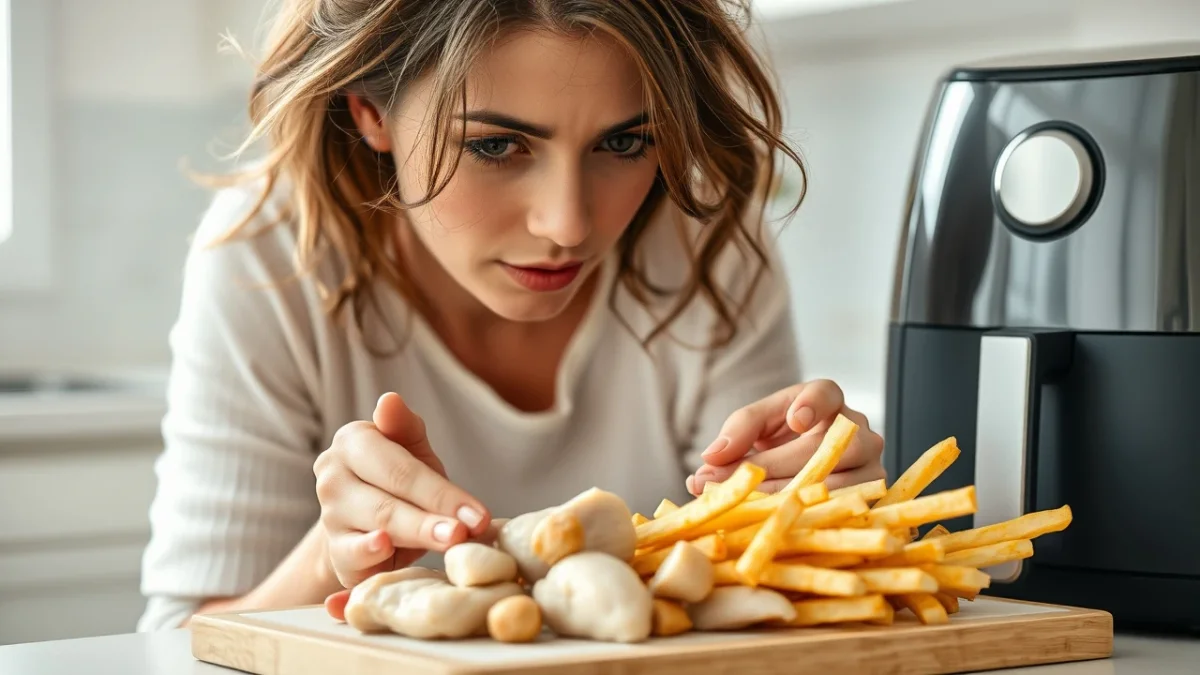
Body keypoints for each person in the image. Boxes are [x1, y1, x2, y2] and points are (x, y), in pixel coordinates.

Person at [135, 0, 886, 632]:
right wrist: (333, 557)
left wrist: (823, 512)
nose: (567, 223)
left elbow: (754, 581)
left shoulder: (707, 243)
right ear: (371, 115)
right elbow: (176, 644)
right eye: (496, 145)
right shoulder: (268, 258)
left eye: (624, 141)